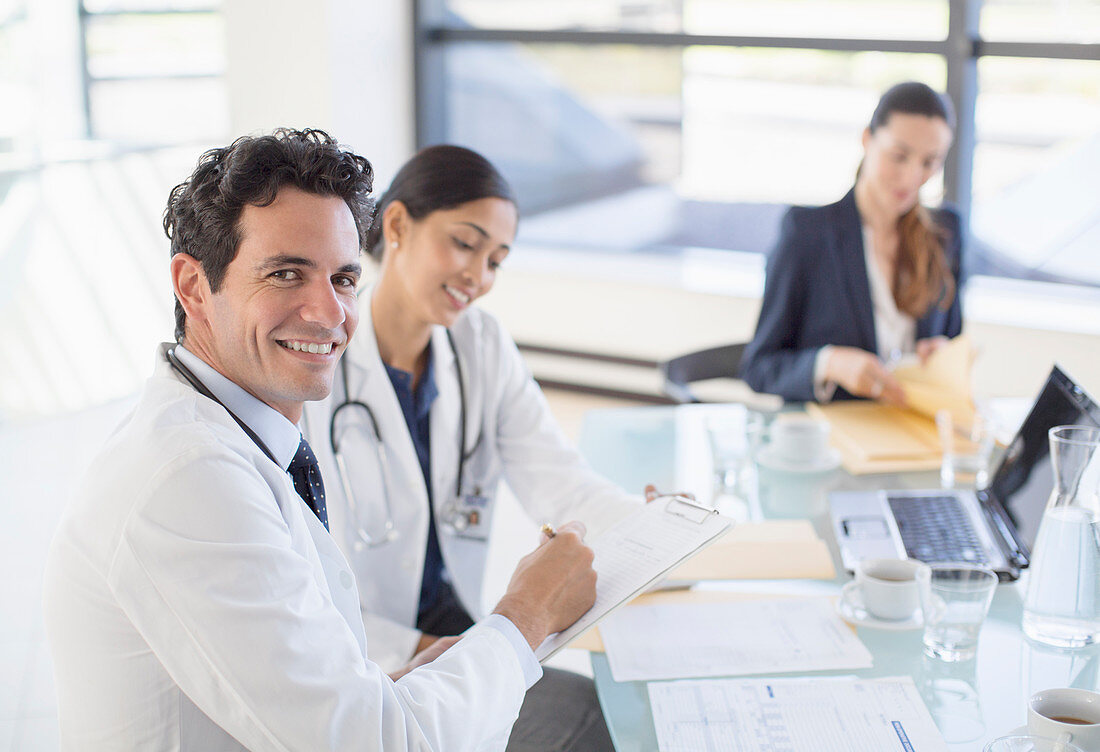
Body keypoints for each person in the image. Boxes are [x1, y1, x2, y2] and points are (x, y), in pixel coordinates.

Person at [42, 128, 600, 751]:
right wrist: (525, 615)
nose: (329, 313)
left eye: (342, 279)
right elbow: (374, 744)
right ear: (194, 287)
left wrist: (413, 678)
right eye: (285, 274)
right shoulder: (189, 479)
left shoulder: (242, 436)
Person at [300, 144, 639, 751]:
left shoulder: (479, 345)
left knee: (619, 711)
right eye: (464, 243)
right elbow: (310, 589)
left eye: (496, 260)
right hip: (368, 662)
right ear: (398, 225)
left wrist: (653, 529)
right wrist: (454, 653)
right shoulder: (316, 365)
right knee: (590, 723)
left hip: (463, 633)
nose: (478, 278)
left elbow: (559, 477)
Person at [740, 81, 963, 404]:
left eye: (929, 162)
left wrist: (943, 356)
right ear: (867, 140)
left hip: (910, 433)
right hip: (831, 440)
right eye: (899, 156)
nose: (912, 176)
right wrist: (829, 364)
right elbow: (759, 368)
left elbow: (953, 338)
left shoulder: (946, 233)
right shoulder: (807, 234)